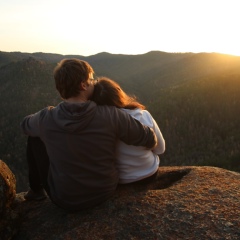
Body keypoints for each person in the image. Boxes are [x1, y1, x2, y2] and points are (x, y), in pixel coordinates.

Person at [20, 58, 157, 211]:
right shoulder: (110, 115)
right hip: (104, 192)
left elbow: (25, 125)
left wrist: (42, 120)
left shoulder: (46, 118)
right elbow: (149, 139)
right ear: (83, 85)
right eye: (92, 80)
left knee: (34, 137)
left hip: (63, 198)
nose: (94, 83)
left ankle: (36, 191)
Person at [91, 77, 165, 184]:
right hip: (149, 174)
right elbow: (160, 149)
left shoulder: (97, 124)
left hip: (121, 180)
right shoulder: (143, 115)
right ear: (118, 93)